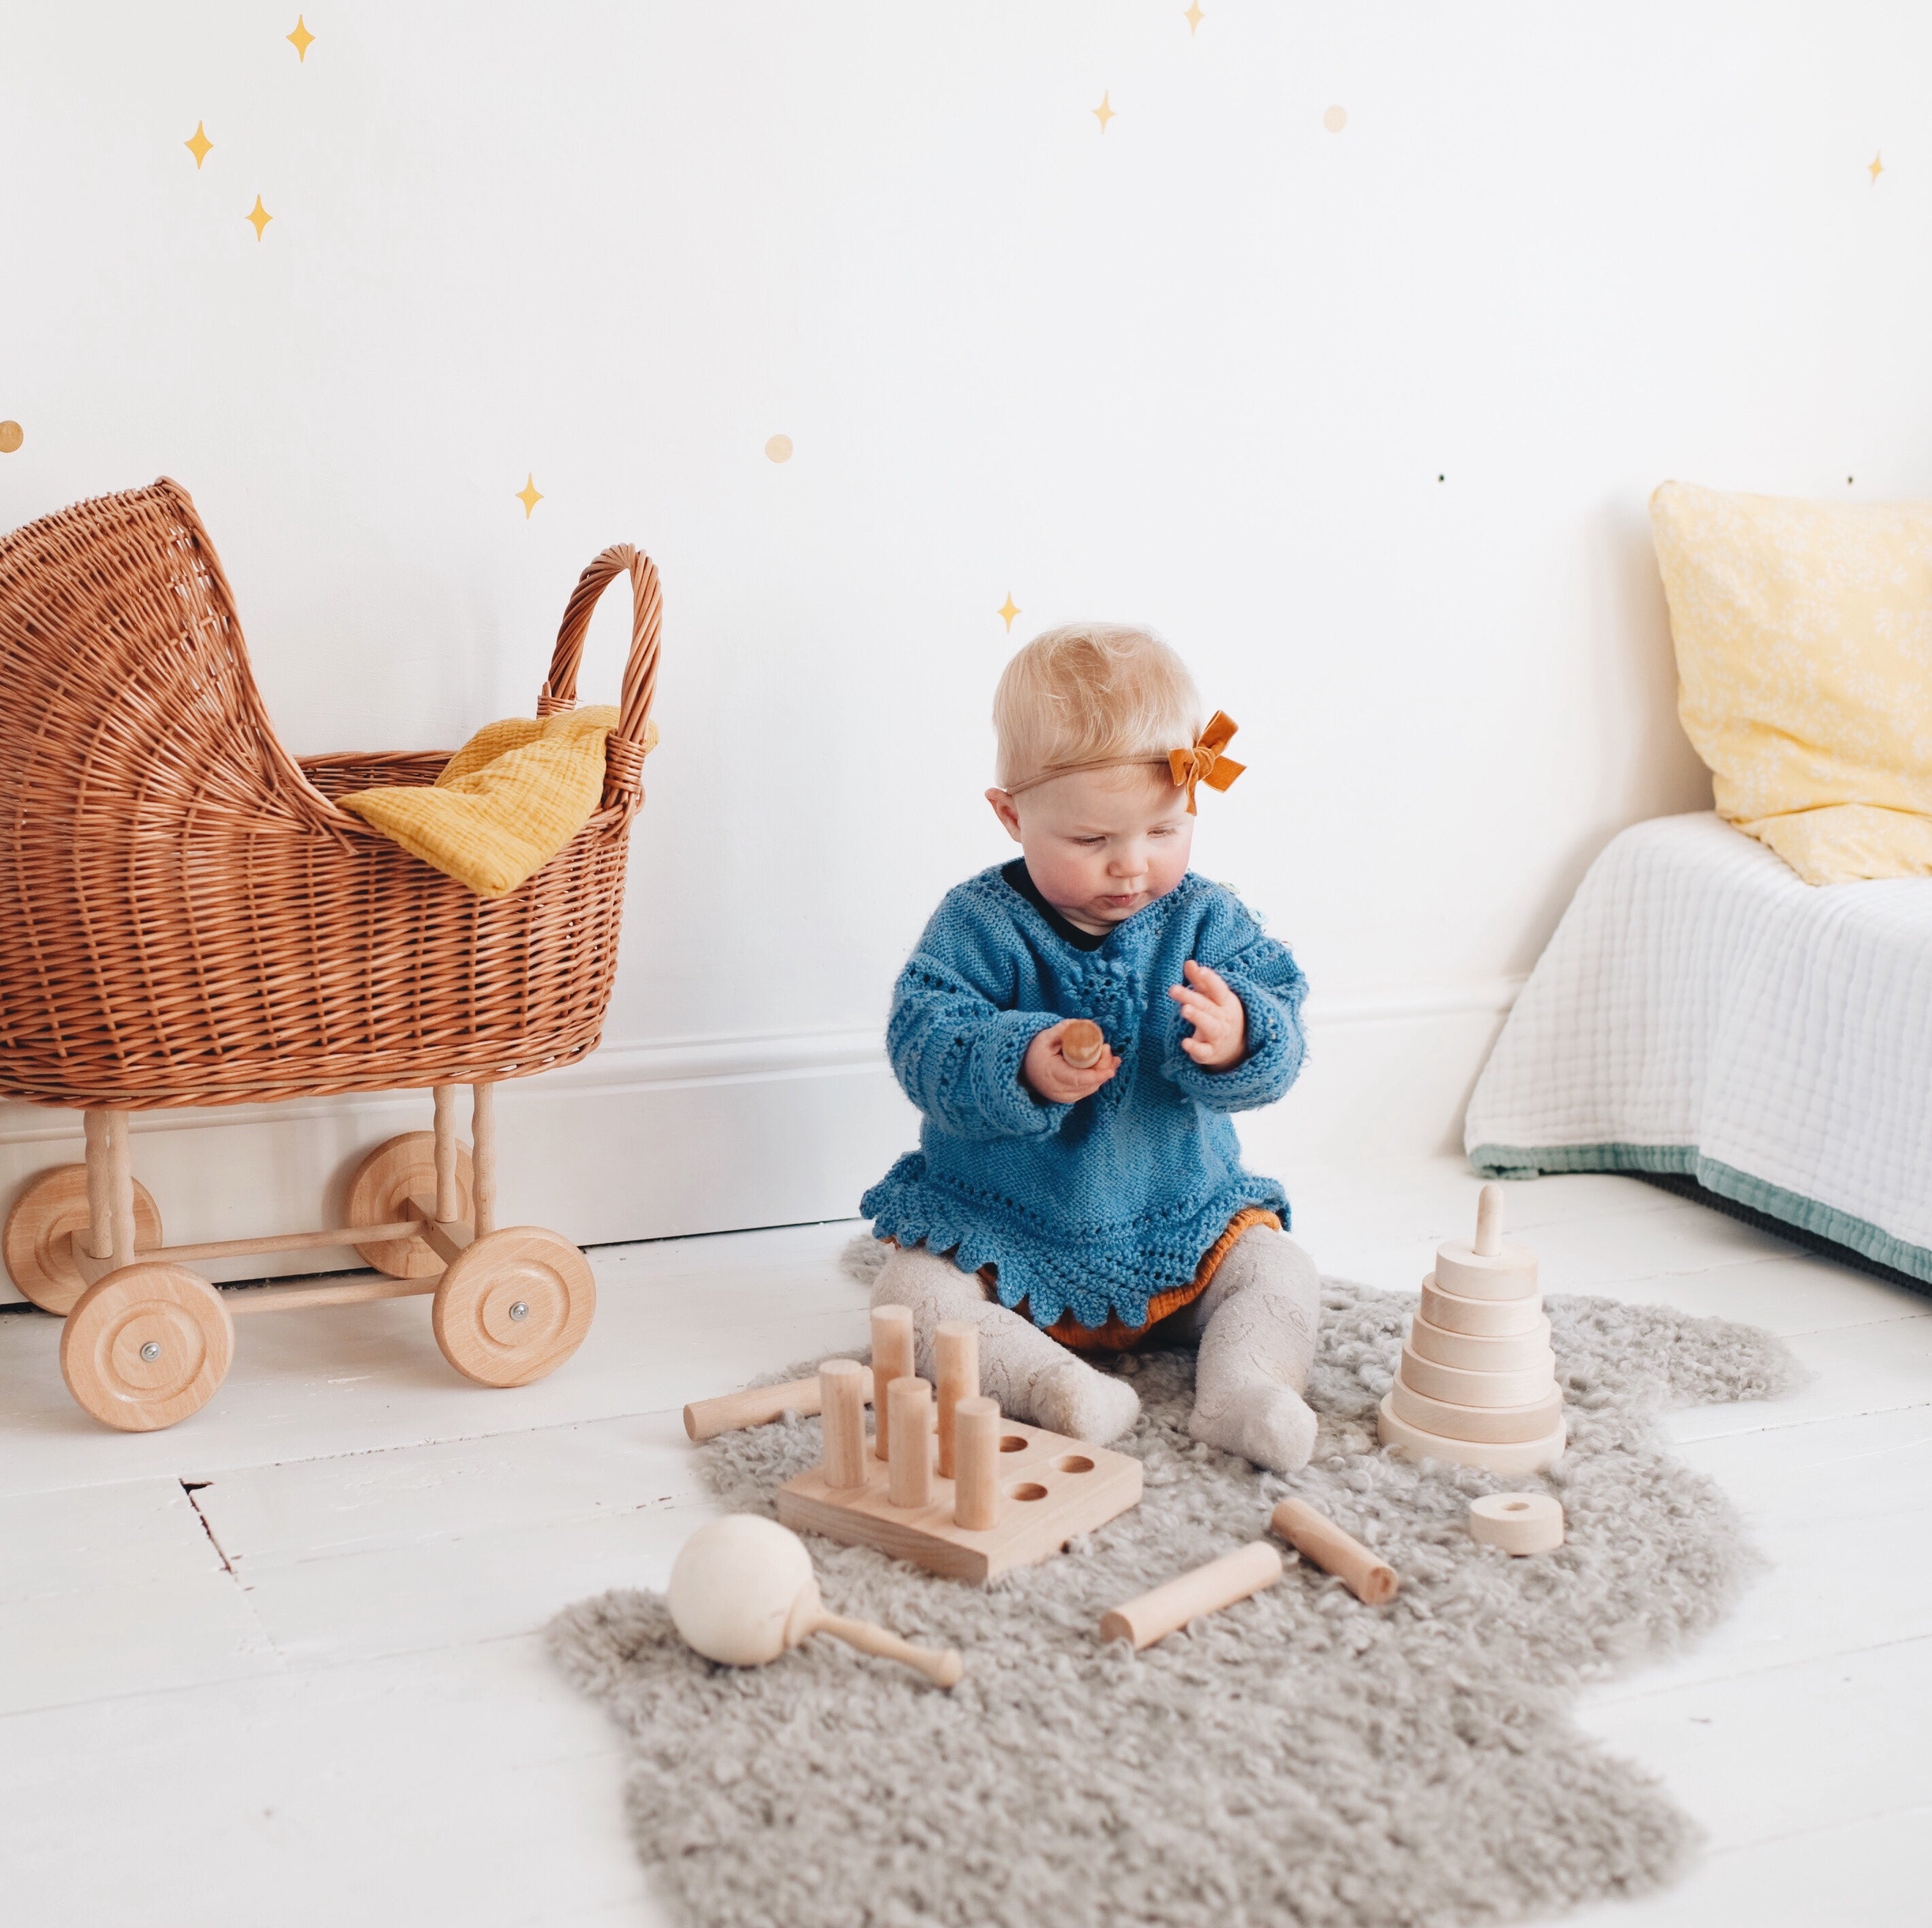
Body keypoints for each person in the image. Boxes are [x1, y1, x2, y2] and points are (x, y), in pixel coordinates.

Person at [859, 622, 1321, 1473]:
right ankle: (1053, 1388)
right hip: (1003, 1235)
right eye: (1092, 841)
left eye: (1163, 831)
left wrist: (1242, 1034)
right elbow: (921, 1041)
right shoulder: (978, 926)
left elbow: (1284, 1018)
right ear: (1011, 815)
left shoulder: (1208, 919)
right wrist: (1021, 1061)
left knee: (1279, 1269)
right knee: (911, 1300)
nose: (1133, 867)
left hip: (1185, 1225)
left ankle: (1246, 1390)